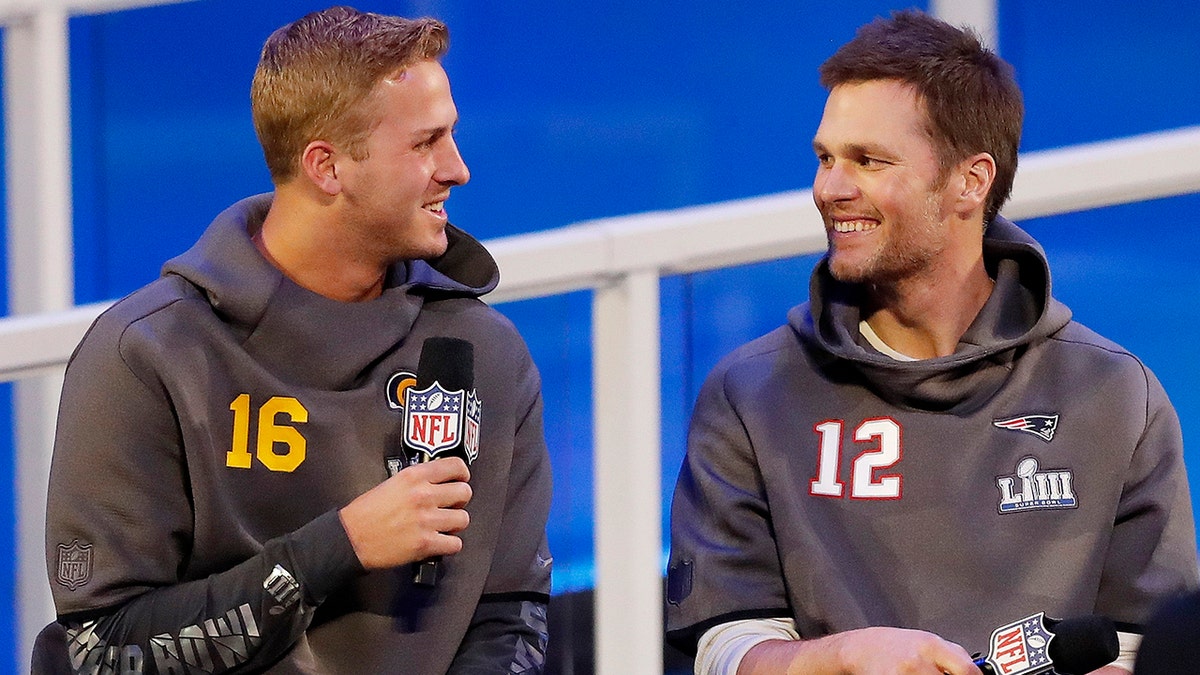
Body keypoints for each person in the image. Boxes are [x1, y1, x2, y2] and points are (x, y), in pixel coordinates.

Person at [665, 10, 1198, 675]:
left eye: (869, 160)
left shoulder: (1117, 395)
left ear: (970, 181)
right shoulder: (749, 393)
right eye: (826, 157)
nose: (830, 188)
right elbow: (724, 647)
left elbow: (1151, 650)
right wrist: (844, 658)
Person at [44, 6, 552, 673]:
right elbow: (102, 650)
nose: (457, 168)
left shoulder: (486, 352)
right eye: (426, 143)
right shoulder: (146, 355)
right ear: (326, 166)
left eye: (450, 136)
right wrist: (337, 547)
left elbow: (510, 613)